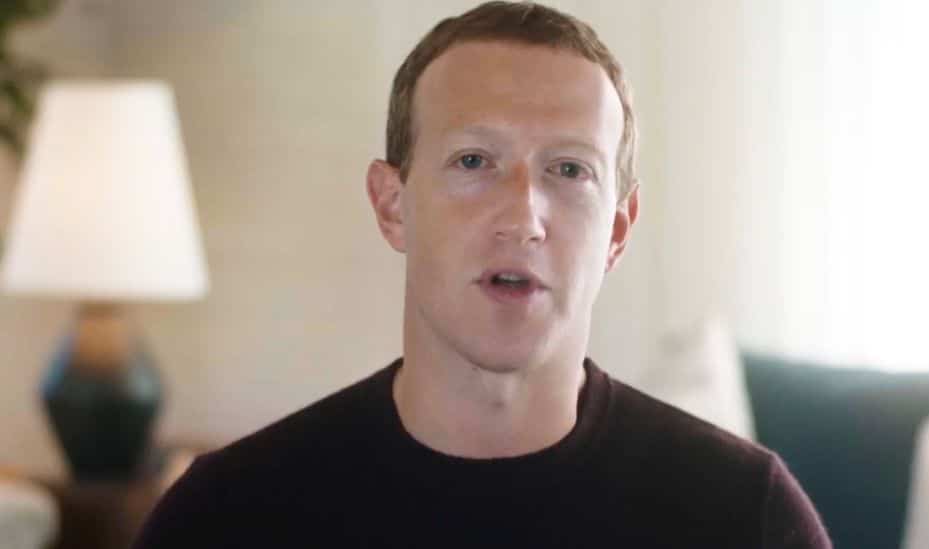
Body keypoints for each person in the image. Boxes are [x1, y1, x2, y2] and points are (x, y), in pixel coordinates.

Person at [132, 2, 832, 547]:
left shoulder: (748, 516)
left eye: (569, 169)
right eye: (474, 162)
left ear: (617, 231)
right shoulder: (225, 517)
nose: (523, 218)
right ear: (392, 205)